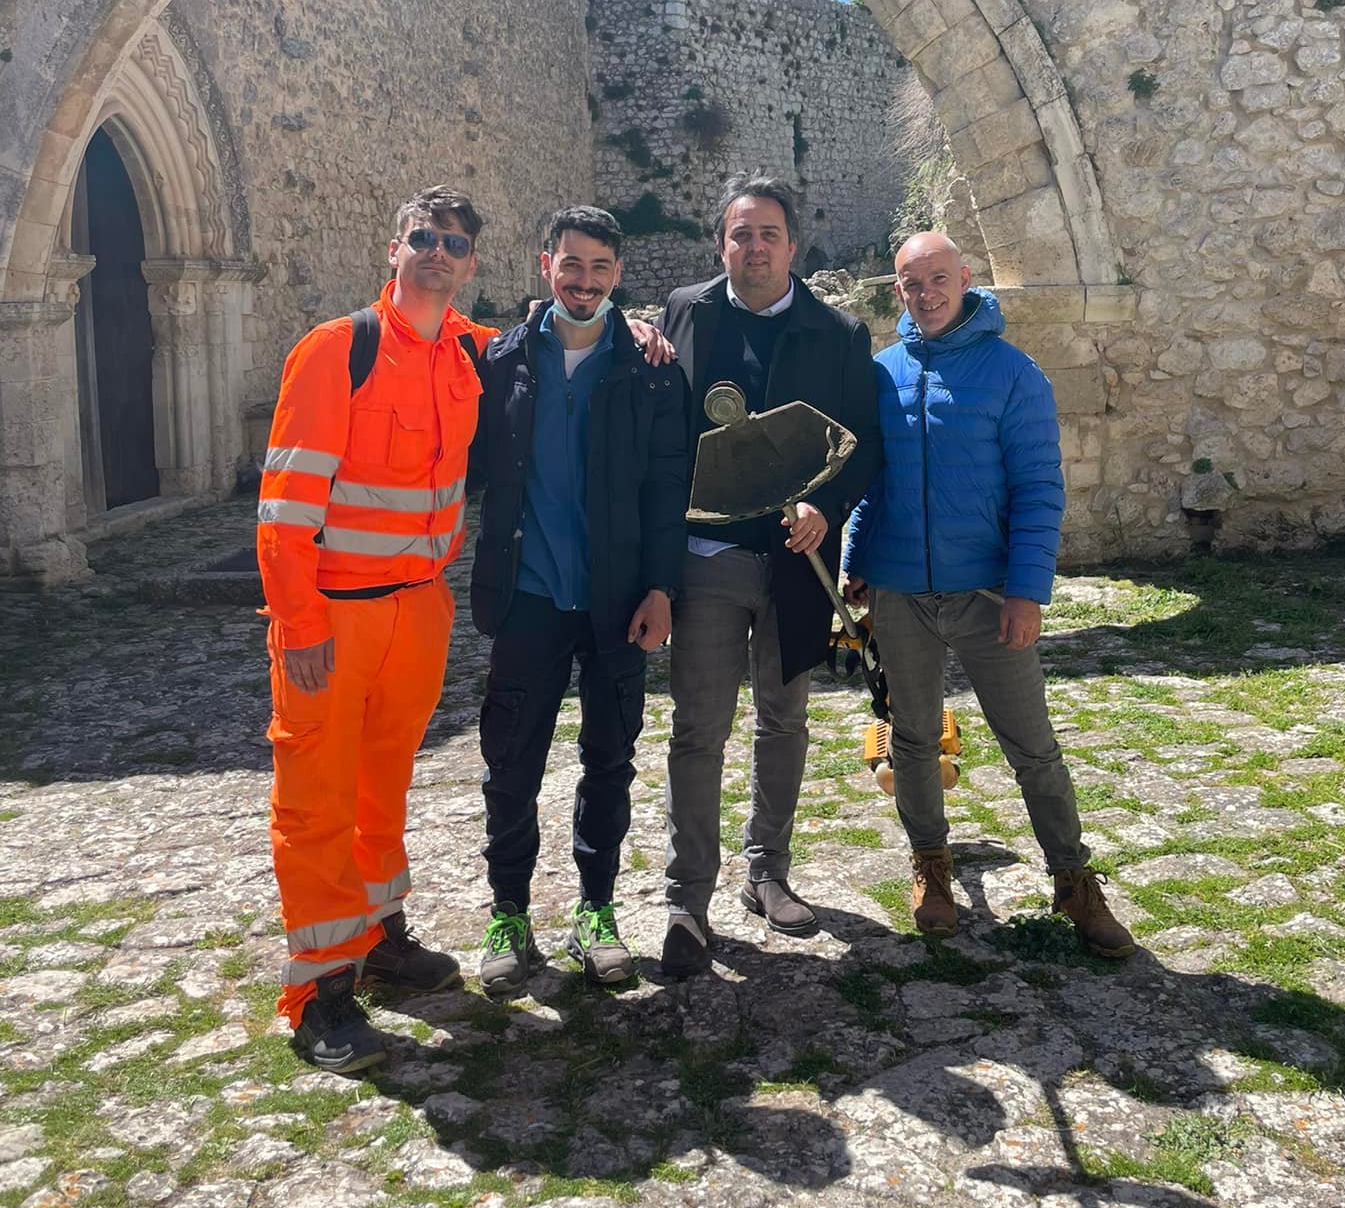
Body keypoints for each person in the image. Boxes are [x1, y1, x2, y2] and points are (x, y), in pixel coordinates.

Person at [258, 187, 496, 1073]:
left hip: (420, 605)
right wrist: (299, 620)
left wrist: (642, 332)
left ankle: (382, 937)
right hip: (334, 615)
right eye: (424, 238)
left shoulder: (472, 353)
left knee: (382, 782)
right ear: (393, 249)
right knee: (315, 797)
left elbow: (564, 339)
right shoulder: (336, 351)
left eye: (455, 243)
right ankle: (321, 994)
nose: (439, 252)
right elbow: (283, 508)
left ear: (472, 263)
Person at [843, 232, 1134, 957]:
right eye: (912, 284)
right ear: (898, 290)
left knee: (1031, 746)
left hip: (987, 593)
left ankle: (1074, 881)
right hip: (901, 591)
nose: (927, 294)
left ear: (965, 278)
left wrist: (1027, 592)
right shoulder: (883, 374)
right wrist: (854, 561)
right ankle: (932, 869)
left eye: (938, 279)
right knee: (911, 739)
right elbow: (870, 483)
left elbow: (1039, 490)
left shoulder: (1014, 374)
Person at [658, 173, 883, 977]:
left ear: (793, 243)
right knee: (699, 726)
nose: (754, 248)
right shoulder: (685, 313)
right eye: (739, 234)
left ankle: (768, 873)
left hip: (797, 565)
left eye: (769, 235)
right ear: (721, 241)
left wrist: (830, 506)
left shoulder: (837, 332)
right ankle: (688, 894)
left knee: (784, 721)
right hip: (709, 558)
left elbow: (866, 446)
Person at [467, 206, 688, 993]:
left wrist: (662, 588)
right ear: (545, 265)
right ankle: (508, 912)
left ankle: (596, 911)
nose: (584, 280)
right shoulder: (501, 361)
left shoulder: (652, 369)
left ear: (618, 275)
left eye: (600, 268)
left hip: (616, 600)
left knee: (610, 761)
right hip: (529, 595)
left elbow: (669, 489)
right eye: (572, 265)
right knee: (510, 762)